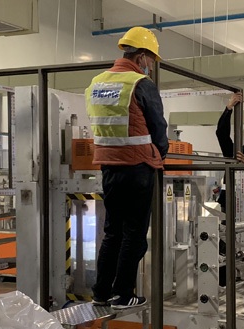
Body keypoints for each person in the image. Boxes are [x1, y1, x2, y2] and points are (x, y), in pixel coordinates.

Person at [85, 26, 168, 309]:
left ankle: (101, 292)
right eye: (151, 60)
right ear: (141, 55)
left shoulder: (97, 83)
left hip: (109, 167)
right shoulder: (141, 84)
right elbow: (158, 127)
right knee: (134, 234)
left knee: (113, 232)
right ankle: (123, 294)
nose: (151, 66)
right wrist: (160, 155)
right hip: (138, 166)